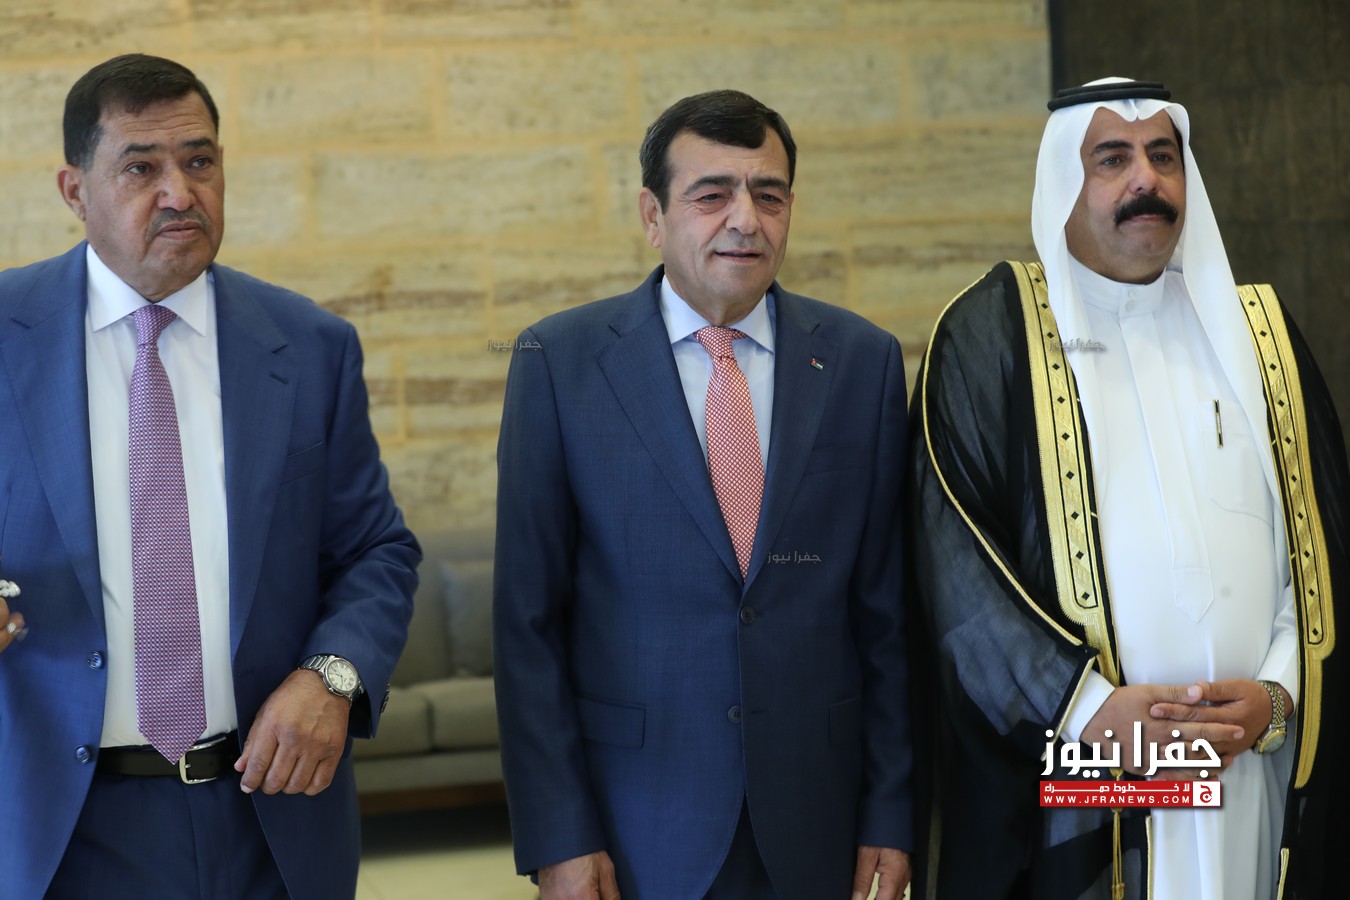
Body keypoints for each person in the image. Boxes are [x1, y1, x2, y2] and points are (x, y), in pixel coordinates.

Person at [907, 77, 1348, 899]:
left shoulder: (1260, 335)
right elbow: (954, 564)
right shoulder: (992, 335)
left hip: (1252, 769)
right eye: (1112, 159)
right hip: (1085, 786)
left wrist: (1279, 694)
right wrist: (1087, 712)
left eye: (1163, 156)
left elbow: (1323, 543)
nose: (1146, 179)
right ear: (1062, 184)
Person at [0, 54, 420, 899]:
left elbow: (375, 551)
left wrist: (332, 676)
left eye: (199, 161)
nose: (179, 193)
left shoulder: (310, 346)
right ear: (76, 191)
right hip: (57, 827)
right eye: (141, 168)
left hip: (269, 820)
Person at [493, 89, 915, 900]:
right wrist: (560, 836)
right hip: (636, 823)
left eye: (769, 195)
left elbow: (887, 617)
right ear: (653, 216)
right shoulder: (559, 363)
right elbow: (527, 628)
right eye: (711, 194)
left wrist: (891, 814)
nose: (745, 220)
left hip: (819, 818)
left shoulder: (862, 362)